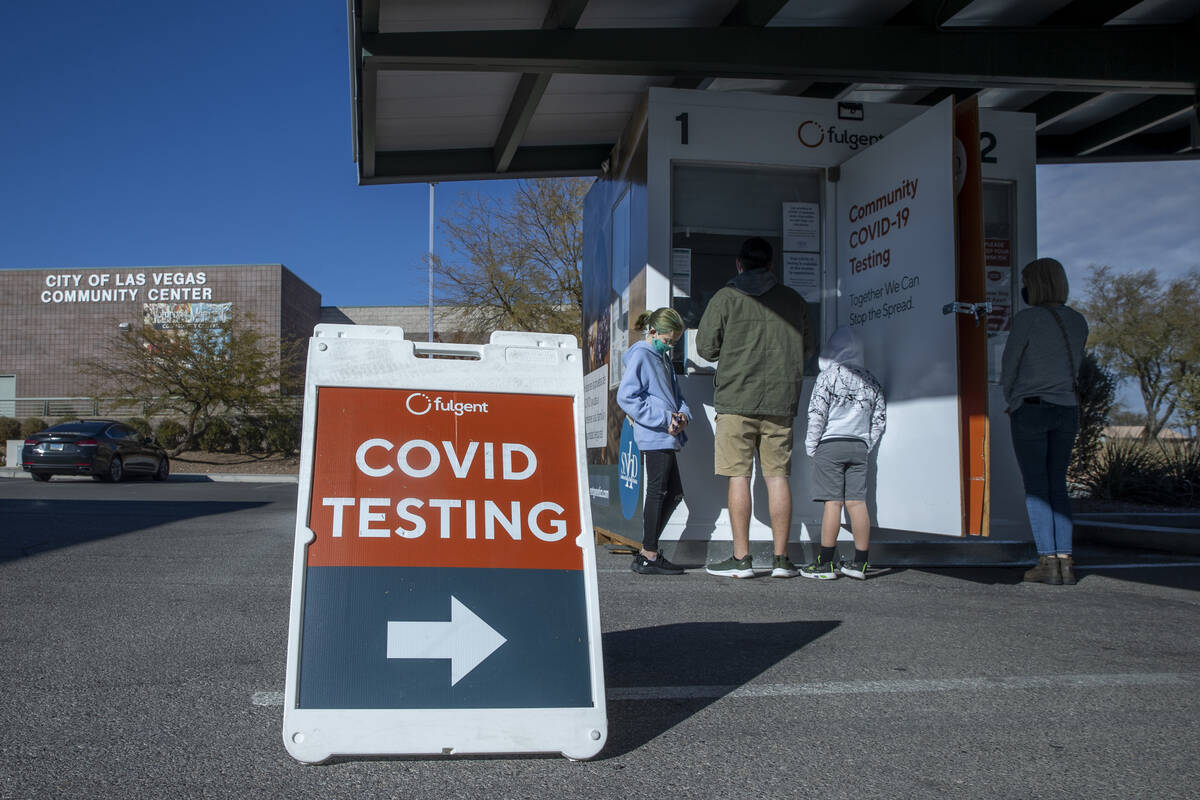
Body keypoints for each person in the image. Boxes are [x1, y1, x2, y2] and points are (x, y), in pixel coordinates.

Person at [695, 237, 813, 578]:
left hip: (735, 400)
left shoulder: (726, 298)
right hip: (780, 400)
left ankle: (742, 558)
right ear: (771, 265)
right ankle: (781, 560)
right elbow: (807, 349)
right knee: (778, 478)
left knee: (738, 477)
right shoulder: (793, 300)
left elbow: (705, 347)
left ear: (739, 264)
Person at [1001, 257, 1089, 585]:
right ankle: (1065, 561)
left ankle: (1047, 561)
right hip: (1067, 409)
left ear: (1034, 284)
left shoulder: (1029, 319)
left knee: (1036, 487)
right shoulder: (1078, 322)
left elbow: (1009, 365)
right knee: (1057, 485)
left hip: (1032, 408)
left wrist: (1012, 399)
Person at [799, 326, 886, 580]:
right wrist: (867, 444)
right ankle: (860, 563)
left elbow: (817, 414)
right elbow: (879, 418)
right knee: (858, 503)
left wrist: (811, 446)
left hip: (830, 445)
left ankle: (825, 563)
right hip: (859, 446)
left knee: (833, 504)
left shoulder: (827, 377)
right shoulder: (871, 379)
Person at [617, 307, 692, 575]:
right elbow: (627, 397)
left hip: (667, 433)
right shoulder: (642, 355)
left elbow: (677, 395)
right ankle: (649, 553)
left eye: (674, 342)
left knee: (672, 493)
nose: (670, 346)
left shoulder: (662, 358)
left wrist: (683, 415)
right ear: (653, 332)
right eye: (668, 340)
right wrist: (665, 418)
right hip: (656, 434)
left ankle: (647, 550)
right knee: (660, 492)